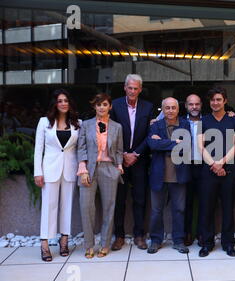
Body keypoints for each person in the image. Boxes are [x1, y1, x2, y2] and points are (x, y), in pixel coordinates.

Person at [34, 89, 81, 262]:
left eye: (66, 100)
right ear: (55, 103)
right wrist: (37, 172)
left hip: (70, 170)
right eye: (60, 101)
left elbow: (79, 148)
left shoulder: (77, 123)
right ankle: (45, 244)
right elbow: (38, 149)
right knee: (49, 206)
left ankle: (64, 241)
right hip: (49, 170)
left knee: (67, 205)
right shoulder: (44, 122)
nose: (63, 103)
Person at [197, 87, 235, 257]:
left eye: (218, 99)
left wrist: (221, 163)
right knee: (206, 208)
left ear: (225, 101)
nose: (215, 103)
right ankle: (207, 243)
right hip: (208, 171)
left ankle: (228, 243)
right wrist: (214, 165)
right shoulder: (204, 121)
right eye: (212, 100)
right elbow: (200, 146)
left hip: (228, 170)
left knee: (228, 208)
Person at [77, 93, 123, 259]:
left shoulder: (117, 127)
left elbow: (118, 149)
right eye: (98, 105)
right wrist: (82, 169)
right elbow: (80, 148)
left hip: (109, 169)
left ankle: (104, 244)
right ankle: (89, 245)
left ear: (110, 106)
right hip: (88, 169)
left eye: (105, 104)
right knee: (86, 207)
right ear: (94, 107)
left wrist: (118, 167)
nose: (101, 107)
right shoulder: (86, 125)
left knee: (109, 208)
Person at [110, 74, 153, 251]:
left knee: (140, 200)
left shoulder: (148, 107)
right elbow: (111, 133)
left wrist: (135, 153)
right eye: (130, 88)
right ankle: (119, 235)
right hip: (119, 161)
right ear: (125, 87)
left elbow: (150, 134)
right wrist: (122, 155)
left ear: (140, 89)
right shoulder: (115, 105)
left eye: (136, 88)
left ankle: (139, 235)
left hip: (139, 160)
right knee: (119, 199)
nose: (133, 91)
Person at [146, 97, 191, 254]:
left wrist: (163, 143)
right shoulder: (156, 125)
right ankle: (156, 240)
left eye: (173, 108)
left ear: (178, 110)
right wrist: (174, 143)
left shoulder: (185, 124)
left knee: (179, 209)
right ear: (162, 110)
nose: (170, 110)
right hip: (159, 174)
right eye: (167, 108)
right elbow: (152, 144)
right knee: (156, 210)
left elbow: (186, 146)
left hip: (179, 175)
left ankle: (178, 240)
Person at [183, 94, 203, 246]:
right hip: (186, 167)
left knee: (205, 202)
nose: (194, 107)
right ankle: (187, 233)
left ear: (201, 105)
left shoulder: (208, 121)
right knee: (187, 203)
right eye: (191, 104)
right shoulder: (180, 121)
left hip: (204, 167)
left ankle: (203, 234)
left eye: (197, 104)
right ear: (186, 106)